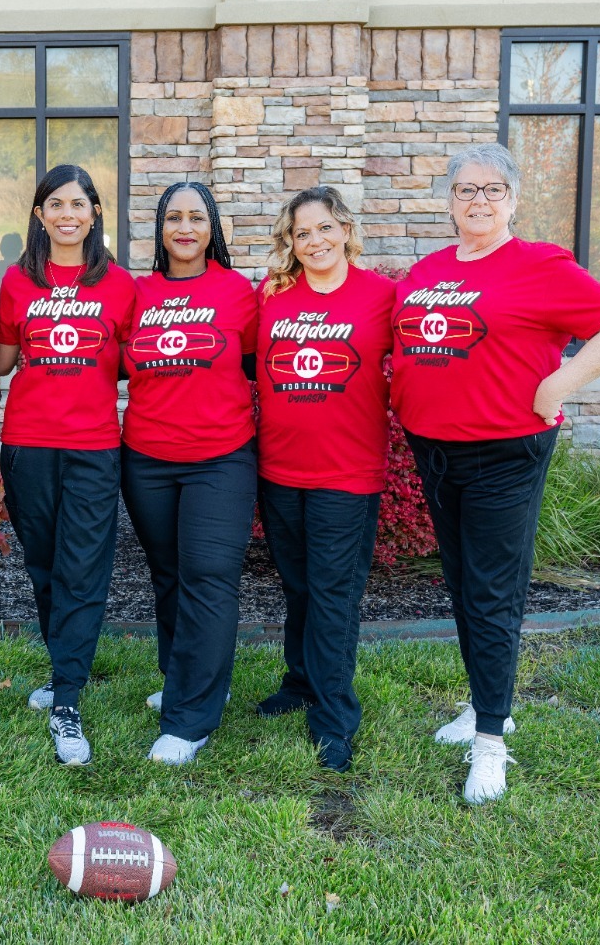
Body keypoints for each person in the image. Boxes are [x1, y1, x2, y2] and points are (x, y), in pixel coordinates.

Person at [391, 142, 600, 804]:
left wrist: (558, 385)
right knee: (463, 582)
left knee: (493, 594)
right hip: (434, 448)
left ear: (514, 200)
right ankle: (481, 706)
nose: (478, 200)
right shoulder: (430, 268)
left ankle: (491, 746)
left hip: (505, 451)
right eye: (465, 190)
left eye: (491, 190)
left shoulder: (540, 265)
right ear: (448, 200)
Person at [0, 164, 136, 766]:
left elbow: (137, 362)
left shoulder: (121, 285)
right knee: (45, 565)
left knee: (84, 567)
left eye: (79, 205)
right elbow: (1, 360)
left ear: (94, 214)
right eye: (56, 205)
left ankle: (68, 702)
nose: (68, 215)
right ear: (39, 215)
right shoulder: (16, 281)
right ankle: (62, 670)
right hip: (27, 445)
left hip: (94, 447)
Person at [253, 187, 395, 773]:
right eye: (300, 234)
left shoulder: (384, 295)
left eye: (322, 229)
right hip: (280, 468)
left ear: (345, 229)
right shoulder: (271, 298)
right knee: (299, 586)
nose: (313, 241)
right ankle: (301, 682)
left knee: (334, 596)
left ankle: (334, 719)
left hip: (349, 473)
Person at [121, 181, 258, 766]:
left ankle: (190, 720)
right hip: (147, 457)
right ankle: (187, 679)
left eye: (196, 217)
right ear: (160, 229)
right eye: (173, 217)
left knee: (207, 576)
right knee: (170, 576)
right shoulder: (137, 292)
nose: (184, 227)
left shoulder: (239, 293)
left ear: (213, 228)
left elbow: (257, 365)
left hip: (220, 457)